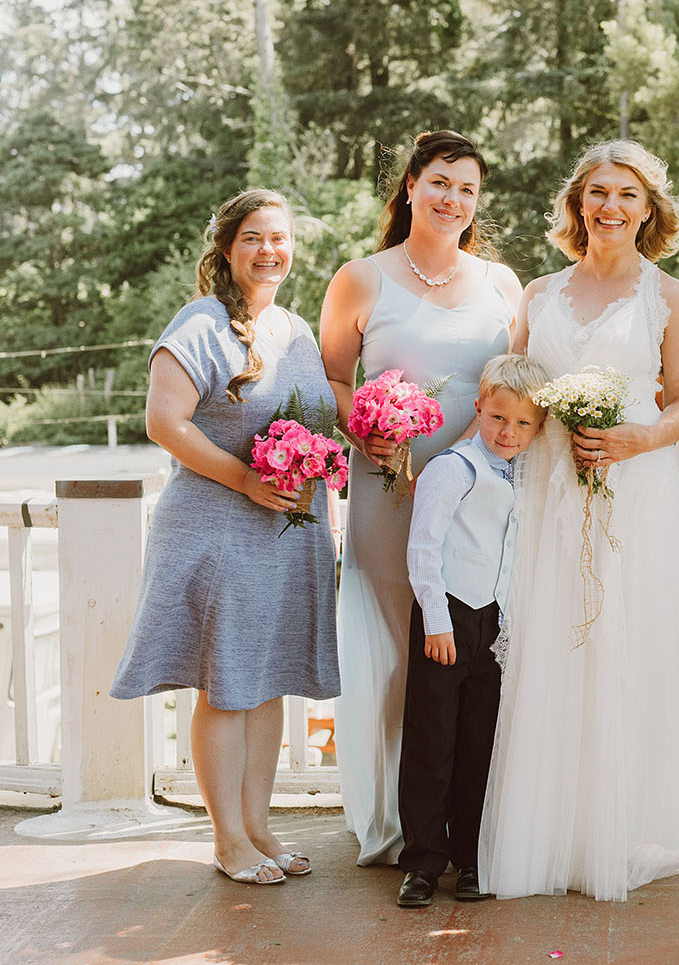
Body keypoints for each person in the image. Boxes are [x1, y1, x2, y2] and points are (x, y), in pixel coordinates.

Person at [479, 140, 679, 902]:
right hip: (549, 492)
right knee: (551, 646)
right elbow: (511, 393)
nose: (611, 207)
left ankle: (618, 829)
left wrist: (638, 437)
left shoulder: (671, 297)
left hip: (632, 496)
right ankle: (546, 835)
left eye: (628, 195)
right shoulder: (538, 295)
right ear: (579, 202)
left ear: (649, 210)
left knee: (622, 649)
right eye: (599, 192)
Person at [111, 189, 339, 884]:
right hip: (219, 528)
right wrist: (245, 479)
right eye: (253, 238)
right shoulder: (202, 322)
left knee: (265, 685)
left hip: (286, 533)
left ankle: (259, 827)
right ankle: (226, 839)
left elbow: (321, 418)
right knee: (227, 687)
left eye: (280, 237)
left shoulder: (297, 331)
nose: (269, 250)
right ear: (227, 248)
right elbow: (165, 421)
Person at [319, 131, 521, 867]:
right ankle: (395, 822)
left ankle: (462, 825)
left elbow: (522, 382)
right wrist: (365, 428)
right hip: (390, 488)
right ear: (410, 185)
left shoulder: (502, 284)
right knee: (394, 652)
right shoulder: (360, 278)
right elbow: (333, 380)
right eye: (441, 182)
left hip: (482, 497)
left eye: (467, 189)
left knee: (466, 653)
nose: (453, 200)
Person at [395, 355, 550, 908]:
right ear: (479, 408)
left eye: (523, 424)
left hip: (493, 625)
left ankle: (470, 859)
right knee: (432, 740)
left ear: (538, 427)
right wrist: (436, 622)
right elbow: (423, 548)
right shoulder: (452, 468)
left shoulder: (526, 472)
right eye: (498, 419)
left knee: (479, 742)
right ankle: (420, 862)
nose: (508, 432)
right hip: (448, 618)